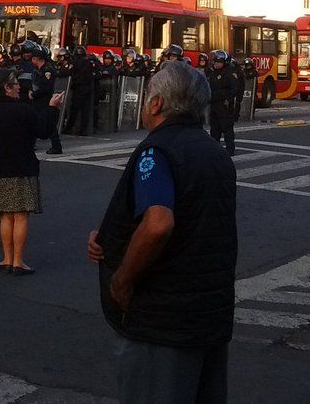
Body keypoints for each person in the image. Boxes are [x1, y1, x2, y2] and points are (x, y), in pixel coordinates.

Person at [87, 61, 236, 403]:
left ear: (156, 104)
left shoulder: (157, 151)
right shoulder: (215, 153)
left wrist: (122, 279)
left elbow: (158, 223)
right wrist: (109, 240)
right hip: (208, 314)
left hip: (162, 322)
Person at [0, 68, 63, 275]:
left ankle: (6, 258)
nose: (19, 86)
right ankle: (18, 261)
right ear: (7, 88)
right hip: (23, 166)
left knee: (5, 216)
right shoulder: (23, 110)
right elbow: (44, 131)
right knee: (20, 216)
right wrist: (52, 107)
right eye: (15, 83)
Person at [28, 42, 62, 155]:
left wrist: (34, 94)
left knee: (49, 124)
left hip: (45, 101)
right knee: (34, 122)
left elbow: (46, 88)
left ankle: (56, 146)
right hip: (38, 101)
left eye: (33, 58)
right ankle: (30, 144)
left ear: (37, 58)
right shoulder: (39, 70)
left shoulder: (47, 70)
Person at [207, 49, 242, 155]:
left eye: (219, 62)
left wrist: (226, 96)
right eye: (215, 61)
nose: (216, 64)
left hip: (225, 105)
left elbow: (235, 88)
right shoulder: (211, 72)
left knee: (227, 128)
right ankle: (214, 148)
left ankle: (230, 149)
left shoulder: (230, 72)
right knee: (214, 129)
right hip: (213, 104)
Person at [65, 45, 96, 136]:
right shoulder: (88, 63)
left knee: (74, 110)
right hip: (87, 89)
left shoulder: (74, 63)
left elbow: (69, 73)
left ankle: (69, 128)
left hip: (78, 88)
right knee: (85, 111)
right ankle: (83, 130)